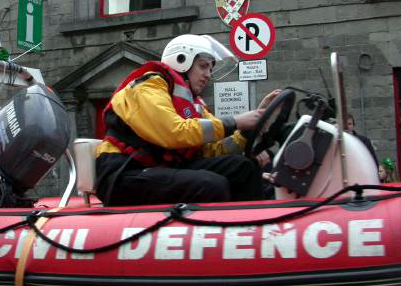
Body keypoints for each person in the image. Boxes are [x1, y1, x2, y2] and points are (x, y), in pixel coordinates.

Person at [95, 34, 281, 206]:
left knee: (243, 168)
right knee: (212, 185)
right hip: (123, 173)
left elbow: (214, 149)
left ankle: (252, 229)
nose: (208, 74)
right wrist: (235, 121)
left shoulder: (193, 102)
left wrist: (247, 131)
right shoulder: (149, 86)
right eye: (203, 66)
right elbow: (173, 132)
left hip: (158, 166)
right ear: (181, 60)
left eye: (210, 67)